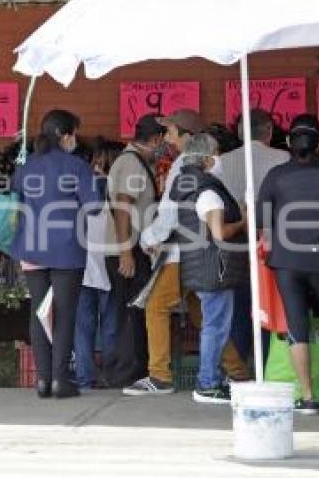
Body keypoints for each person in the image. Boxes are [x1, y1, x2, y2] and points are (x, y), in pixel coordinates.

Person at [126, 109, 250, 396]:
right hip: (205, 255)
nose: (167, 138)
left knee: (157, 305)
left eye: (171, 132)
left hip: (182, 253)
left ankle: (159, 376)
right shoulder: (213, 167)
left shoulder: (184, 166)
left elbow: (172, 214)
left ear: (189, 137)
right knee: (207, 316)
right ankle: (238, 373)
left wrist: (148, 238)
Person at [257, 114, 319, 415]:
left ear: (289, 142)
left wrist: (277, 250)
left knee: (297, 326)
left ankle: (309, 397)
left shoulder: (274, 177)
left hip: (288, 262)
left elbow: (264, 224)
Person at [10, 109, 103, 399]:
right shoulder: (77, 167)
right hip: (67, 249)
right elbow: (95, 207)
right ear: (65, 135)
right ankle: (61, 381)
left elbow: (17, 199)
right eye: (74, 133)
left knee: (39, 312)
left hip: (30, 247)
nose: (75, 139)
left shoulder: (26, 167)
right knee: (63, 314)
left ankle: (42, 380)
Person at [171, 133, 249, 404]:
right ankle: (207, 383)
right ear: (206, 158)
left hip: (199, 264)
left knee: (212, 324)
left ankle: (211, 378)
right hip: (214, 267)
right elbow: (220, 233)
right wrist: (244, 222)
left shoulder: (186, 185)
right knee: (215, 326)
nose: (219, 159)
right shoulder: (208, 191)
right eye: (216, 153)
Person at [218, 109, 290, 367]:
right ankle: (270, 362)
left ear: (238, 133)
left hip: (233, 239)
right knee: (270, 302)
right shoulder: (283, 157)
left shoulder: (222, 161)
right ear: (269, 130)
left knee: (238, 305)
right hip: (273, 241)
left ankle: (239, 367)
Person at [103, 113, 166, 388]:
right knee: (130, 311)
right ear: (155, 139)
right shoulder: (131, 163)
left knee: (132, 309)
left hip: (129, 247)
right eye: (164, 140)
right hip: (128, 250)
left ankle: (133, 370)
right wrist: (125, 252)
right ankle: (126, 372)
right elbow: (122, 207)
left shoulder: (137, 162)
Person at [74, 138, 124, 391]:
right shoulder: (112, 186)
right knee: (111, 324)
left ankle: (85, 377)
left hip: (80, 261)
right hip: (110, 259)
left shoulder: (79, 186)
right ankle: (110, 375)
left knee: (83, 325)